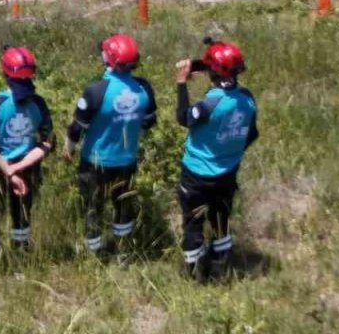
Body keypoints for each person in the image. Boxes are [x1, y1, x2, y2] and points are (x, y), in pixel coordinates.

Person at [63, 34, 157, 259]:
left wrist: (69, 150)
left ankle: (95, 253)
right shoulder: (144, 88)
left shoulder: (96, 91)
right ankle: (123, 251)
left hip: (95, 162)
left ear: (109, 59)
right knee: (123, 207)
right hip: (127, 160)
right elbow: (149, 121)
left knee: (92, 208)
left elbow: (77, 129)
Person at [175, 39, 258, 282]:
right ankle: (222, 267)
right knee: (221, 220)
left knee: (193, 224)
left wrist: (181, 84)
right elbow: (252, 134)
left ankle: (193, 276)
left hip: (196, 174)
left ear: (212, 71)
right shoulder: (248, 99)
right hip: (227, 172)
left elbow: (183, 117)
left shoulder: (209, 104)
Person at [0, 46, 54, 260]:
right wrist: (20, 169)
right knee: (22, 214)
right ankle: (21, 257)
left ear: (5, 73)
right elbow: (47, 143)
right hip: (28, 168)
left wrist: (10, 171)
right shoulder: (38, 103)